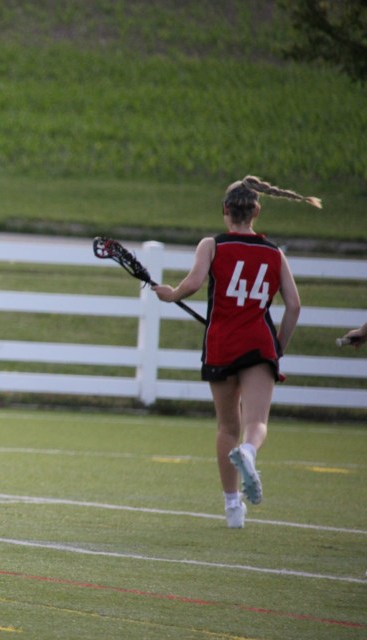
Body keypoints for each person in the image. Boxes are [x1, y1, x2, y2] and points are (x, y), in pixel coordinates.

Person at [153, 175, 320, 529]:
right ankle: (249, 452)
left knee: (227, 426)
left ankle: (233, 509)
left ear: (225, 210)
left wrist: (171, 294)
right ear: (256, 211)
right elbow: (294, 306)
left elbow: (194, 284)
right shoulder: (274, 253)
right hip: (259, 343)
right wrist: (278, 347)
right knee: (255, 422)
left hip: (221, 342)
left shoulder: (212, 245)